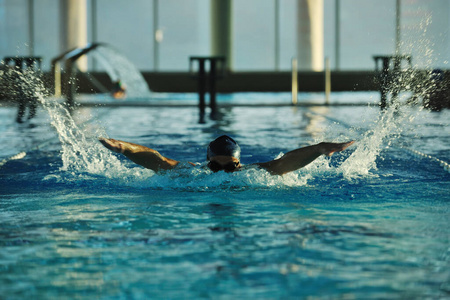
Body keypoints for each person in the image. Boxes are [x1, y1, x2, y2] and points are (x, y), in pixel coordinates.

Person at [99, 135, 354, 176]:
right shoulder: (192, 173)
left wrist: (320, 148)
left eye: (229, 168)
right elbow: (156, 159)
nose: (222, 173)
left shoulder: (194, 174)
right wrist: (122, 148)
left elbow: (282, 164)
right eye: (216, 168)